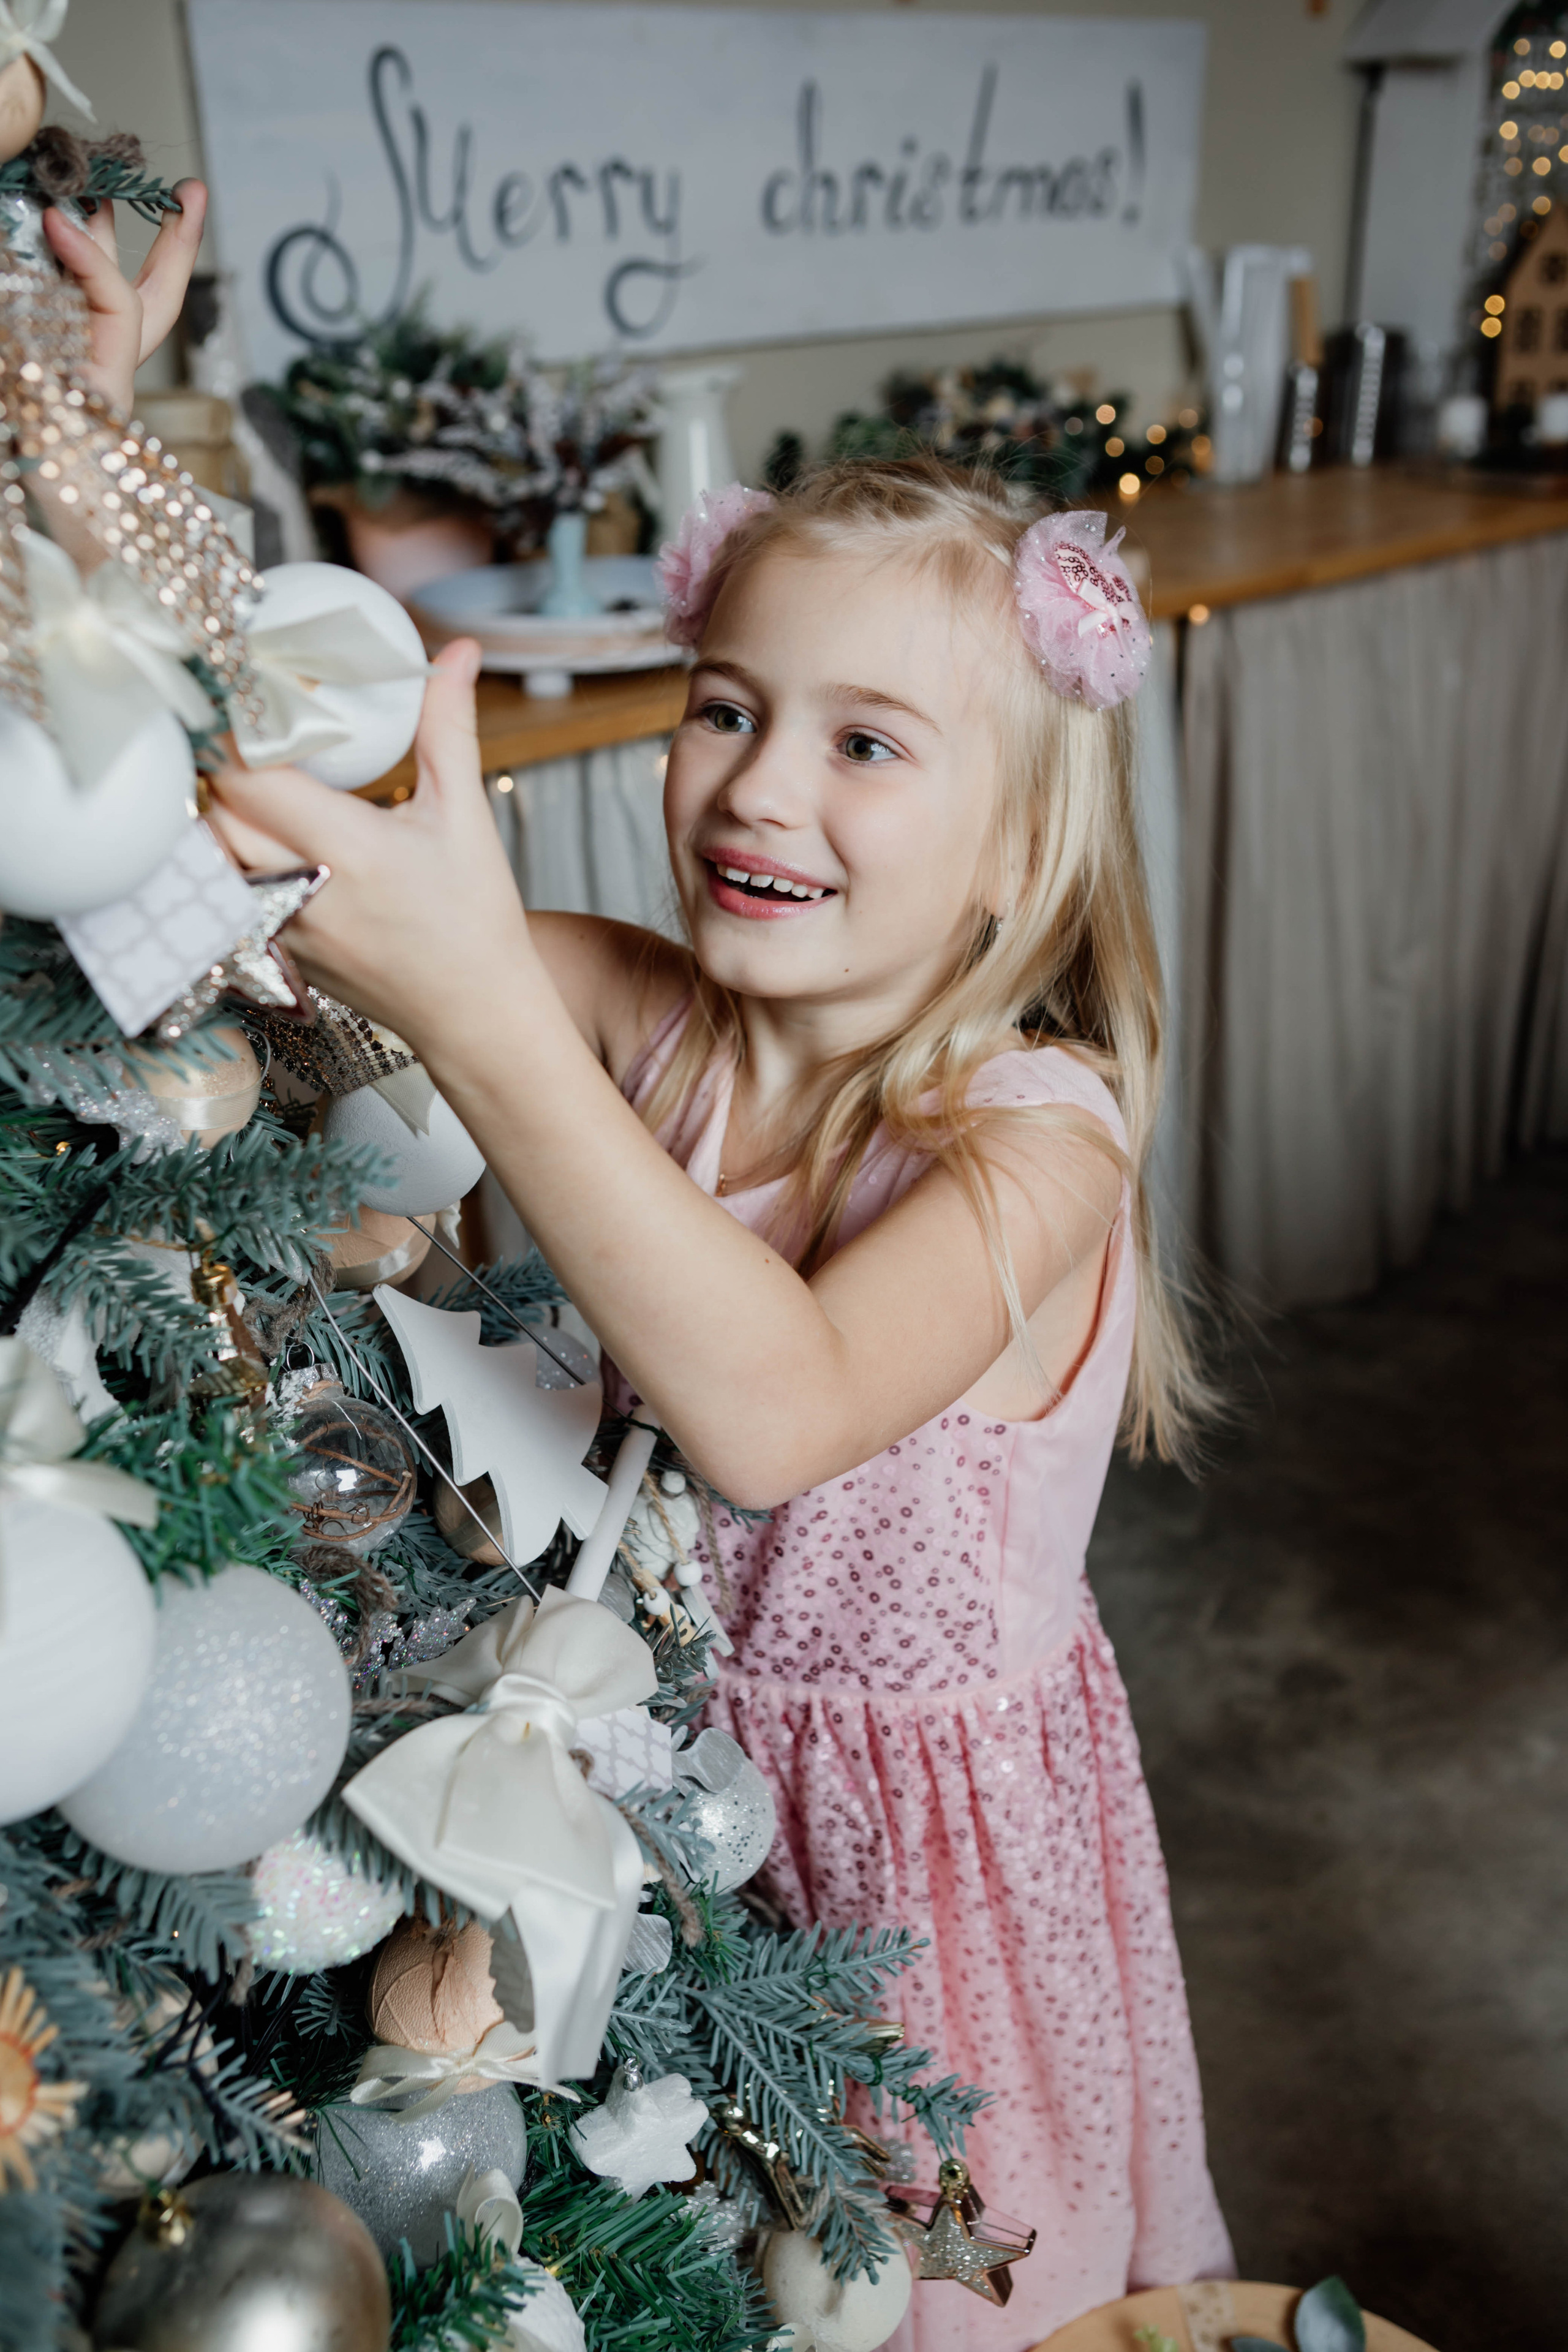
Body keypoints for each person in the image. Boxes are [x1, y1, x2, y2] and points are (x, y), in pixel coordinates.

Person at [208, 456, 1233, 2347]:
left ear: (1022, 850)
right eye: (730, 709)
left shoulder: (1041, 1133)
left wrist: (490, 1019)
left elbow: (774, 1409)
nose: (760, 783)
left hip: (914, 1892)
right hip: (647, 1813)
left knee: (921, 2287)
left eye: (867, 744)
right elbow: (290, 901)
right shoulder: (641, 1013)